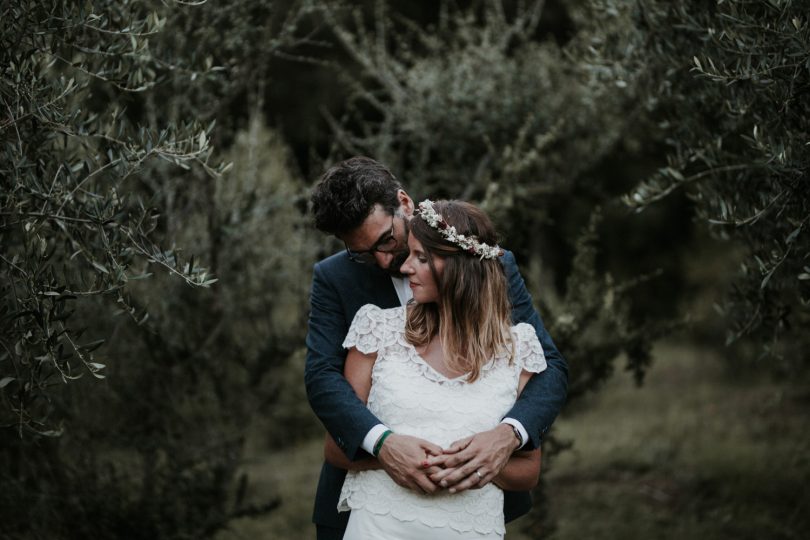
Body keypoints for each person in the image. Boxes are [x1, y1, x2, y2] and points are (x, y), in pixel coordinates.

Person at [306, 157, 567, 540]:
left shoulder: (490, 265)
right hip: (365, 509)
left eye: (385, 241)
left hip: (468, 511)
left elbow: (549, 368)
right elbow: (322, 377)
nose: (383, 261)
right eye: (362, 252)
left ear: (405, 204)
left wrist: (509, 434)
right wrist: (382, 446)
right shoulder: (335, 279)